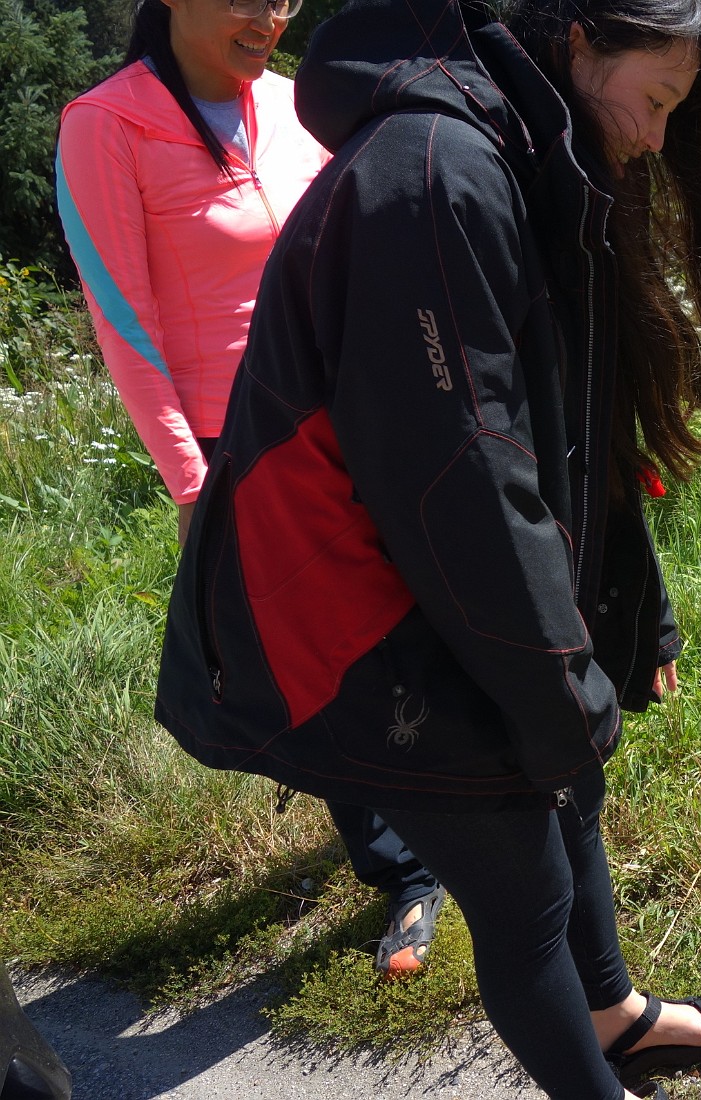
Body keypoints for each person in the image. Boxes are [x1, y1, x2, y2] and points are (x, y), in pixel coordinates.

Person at [150, 0, 701, 1093]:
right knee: (524, 891)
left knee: (567, 791)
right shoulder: (433, 175)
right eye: (657, 100)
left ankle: (614, 1016)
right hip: (358, 606)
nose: (655, 136)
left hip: (439, 578)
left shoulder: (520, 151)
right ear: (581, 42)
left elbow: (569, 427)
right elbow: (458, 485)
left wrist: (637, 612)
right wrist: (555, 685)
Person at [55, 0, 448, 978]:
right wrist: (192, 481)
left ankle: (470, 810)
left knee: (427, 615)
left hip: (356, 410)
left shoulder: (296, 99)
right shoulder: (107, 122)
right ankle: (404, 870)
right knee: (328, 655)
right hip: (242, 445)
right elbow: (121, 317)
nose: (267, 15)